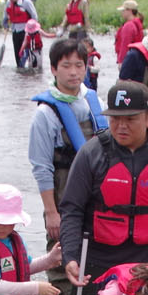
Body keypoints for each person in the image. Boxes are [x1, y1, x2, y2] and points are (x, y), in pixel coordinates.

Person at [58, 80, 148, 293]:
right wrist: (70, 256)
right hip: (97, 261)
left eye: (130, 119)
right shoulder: (90, 154)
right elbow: (72, 209)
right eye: (115, 119)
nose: (121, 126)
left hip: (147, 262)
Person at [28, 38, 109, 270]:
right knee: (62, 257)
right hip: (62, 193)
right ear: (53, 69)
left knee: (95, 258)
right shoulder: (45, 114)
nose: (74, 72)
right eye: (66, 66)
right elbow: (41, 167)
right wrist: (51, 212)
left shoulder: (95, 102)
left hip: (94, 190)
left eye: (79, 65)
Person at [1, 0, 37, 64]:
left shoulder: (26, 2)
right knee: (18, 53)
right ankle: (20, 68)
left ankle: (32, 68)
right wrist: (5, 24)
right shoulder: (9, 3)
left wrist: (33, 30)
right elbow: (6, 15)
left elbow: (34, 16)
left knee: (30, 53)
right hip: (15, 31)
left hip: (27, 32)